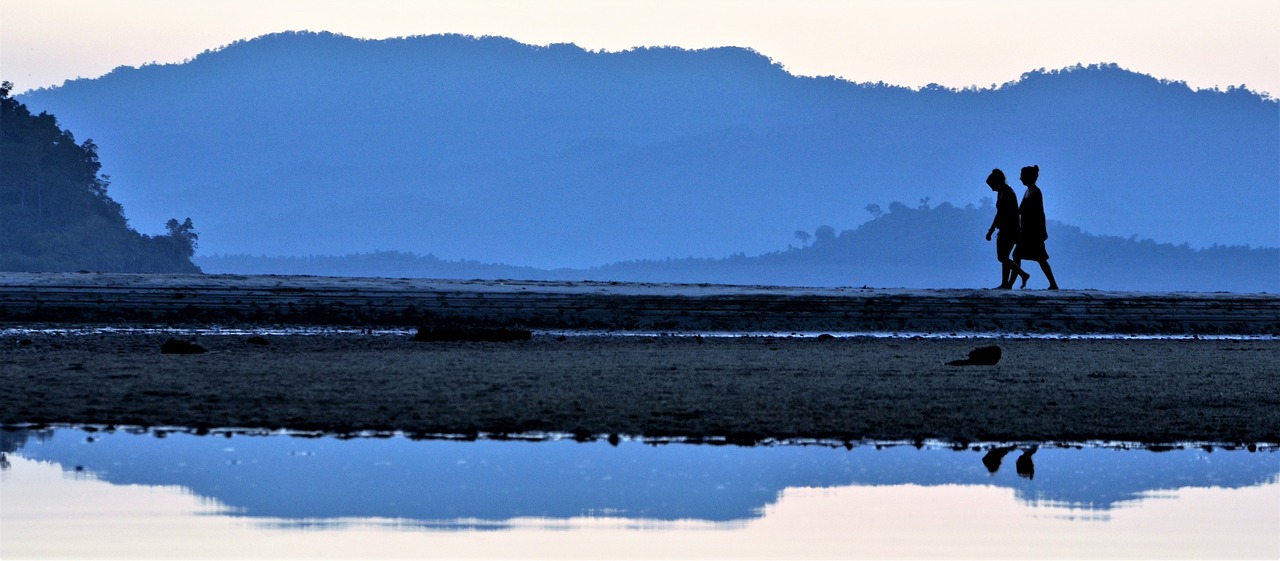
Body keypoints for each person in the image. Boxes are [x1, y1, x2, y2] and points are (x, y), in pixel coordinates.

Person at [1013, 165, 1059, 290]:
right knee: (1019, 255)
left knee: (1039, 258)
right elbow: (1020, 210)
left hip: (1033, 232)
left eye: (1022, 176)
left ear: (1028, 177)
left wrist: (1042, 231)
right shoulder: (1028, 191)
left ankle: (1053, 284)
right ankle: (1013, 282)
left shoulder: (1035, 192)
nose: (1020, 178)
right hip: (1027, 231)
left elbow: (1040, 213)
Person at [985, 169, 1029, 289]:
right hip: (1007, 228)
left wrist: (991, 230)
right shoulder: (1002, 193)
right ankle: (1006, 283)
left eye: (992, 186)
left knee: (1002, 257)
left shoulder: (1008, 193)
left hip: (1010, 229)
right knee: (1005, 256)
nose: (992, 189)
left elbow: (1000, 214)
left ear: (997, 182)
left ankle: (1023, 274)